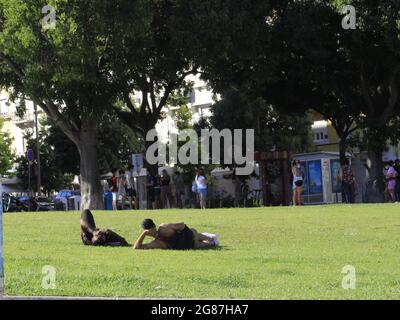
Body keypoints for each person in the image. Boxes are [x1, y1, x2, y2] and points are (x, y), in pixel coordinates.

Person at [133, 219, 219, 250]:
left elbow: (182, 225)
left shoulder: (163, 228)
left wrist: (143, 233)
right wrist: (143, 233)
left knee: (195, 235)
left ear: (154, 227)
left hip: (189, 236)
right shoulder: (156, 243)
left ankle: (209, 237)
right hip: (189, 245)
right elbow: (136, 247)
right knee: (201, 243)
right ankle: (211, 240)